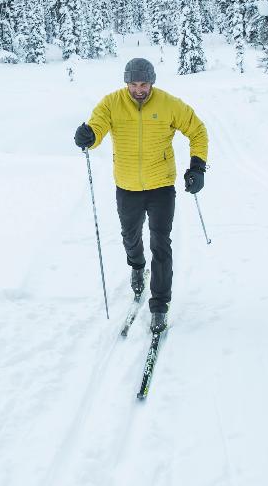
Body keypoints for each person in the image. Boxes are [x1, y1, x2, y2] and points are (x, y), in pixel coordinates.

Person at [74, 58, 209, 334]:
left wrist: (197, 167)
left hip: (161, 185)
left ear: (152, 82)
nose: (139, 89)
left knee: (161, 243)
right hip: (127, 186)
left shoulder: (169, 104)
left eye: (144, 84)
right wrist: (89, 135)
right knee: (130, 238)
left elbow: (197, 130)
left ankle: (159, 305)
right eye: (133, 84)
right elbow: (98, 127)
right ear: (126, 83)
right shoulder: (111, 103)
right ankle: (137, 266)